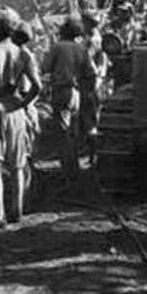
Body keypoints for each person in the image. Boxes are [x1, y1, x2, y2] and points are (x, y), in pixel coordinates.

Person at [0, 8, 41, 226]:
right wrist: (23, 103)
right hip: (16, 109)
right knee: (17, 164)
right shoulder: (22, 54)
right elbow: (37, 86)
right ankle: (17, 210)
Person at [42, 15, 96, 184]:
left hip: (61, 91)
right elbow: (91, 73)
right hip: (76, 94)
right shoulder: (81, 49)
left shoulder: (58, 47)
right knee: (72, 131)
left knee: (62, 133)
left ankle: (69, 174)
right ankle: (75, 171)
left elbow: (45, 68)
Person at [12, 20, 42, 192]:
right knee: (22, 154)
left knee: (24, 154)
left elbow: (37, 86)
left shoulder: (23, 55)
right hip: (23, 104)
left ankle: (27, 194)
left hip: (24, 103)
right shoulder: (18, 53)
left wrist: (24, 104)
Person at [80, 14, 109, 168]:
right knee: (92, 117)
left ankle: (93, 154)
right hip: (96, 82)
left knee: (90, 120)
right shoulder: (97, 37)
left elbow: (89, 63)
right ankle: (92, 152)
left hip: (89, 83)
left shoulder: (91, 40)